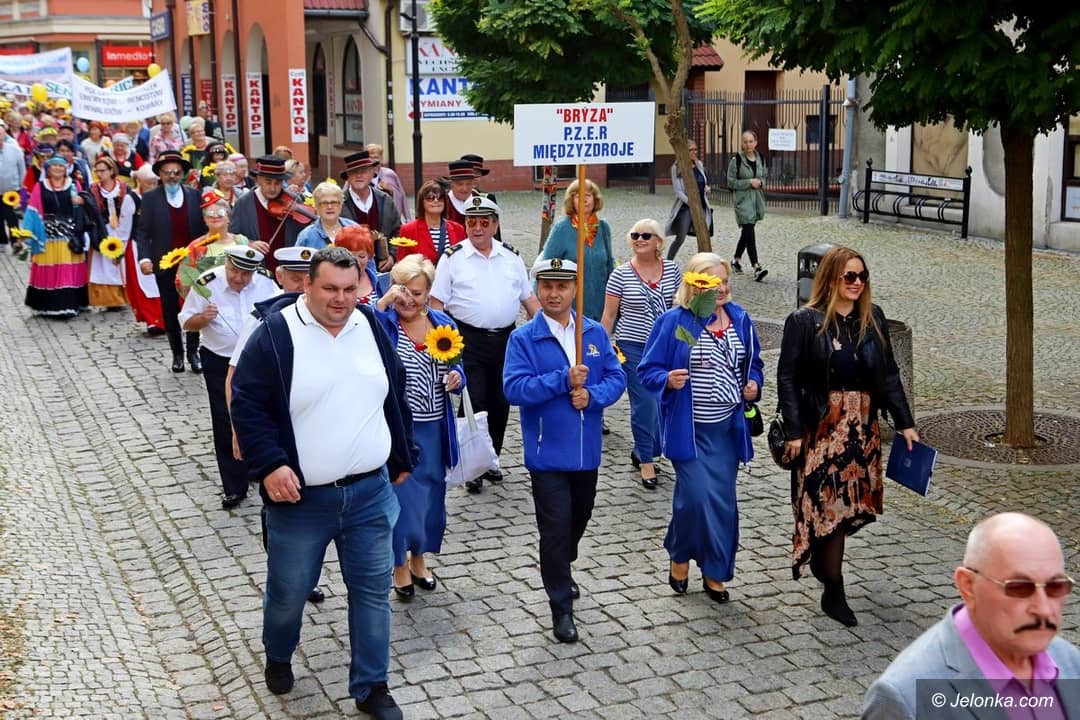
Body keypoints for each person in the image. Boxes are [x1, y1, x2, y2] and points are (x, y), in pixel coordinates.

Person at [230, 246, 416, 720]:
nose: (340, 299)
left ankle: (372, 686)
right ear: (307, 285)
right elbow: (247, 403)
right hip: (301, 501)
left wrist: (403, 451)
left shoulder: (370, 325)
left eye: (350, 289)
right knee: (289, 592)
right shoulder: (276, 333)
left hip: (370, 493)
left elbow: (394, 391)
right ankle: (278, 653)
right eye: (330, 288)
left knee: (372, 591)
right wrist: (270, 465)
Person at [777, 245, 917, 627]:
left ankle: (829, 578)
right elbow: (787, 377)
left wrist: (905, 422)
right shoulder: (804, 321)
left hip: (861, 431)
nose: (857, 283)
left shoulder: (873, 319)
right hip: (821, 430)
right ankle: (833, 585)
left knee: (844, 510)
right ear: (831, 279)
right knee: (828, 508)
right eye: (849, 276)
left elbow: (889, 374)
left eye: (862, 276)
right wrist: (793, 431)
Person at [503, 258, 626, 643]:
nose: (554, 294)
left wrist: (592, 396)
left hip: (586, 452)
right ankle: (560, 605)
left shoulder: (593, 333)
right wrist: (562, 380)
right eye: (547, 286)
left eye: (562, 286)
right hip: (547, 454)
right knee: (554, 529)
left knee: (579, 517)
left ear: (575, 289)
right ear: (537, 289)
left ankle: (562, 562)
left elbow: (617, 377)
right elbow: (514, 389)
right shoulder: (524, 339)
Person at [861, 513, 1080, 720]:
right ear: (968, 586)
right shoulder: (905, 699)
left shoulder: (1070, 660)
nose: (1044, 609)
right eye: (1019, 587)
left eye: (1056, 586)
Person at [638, 253, 763, 604]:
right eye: (712, 282)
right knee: (694, 498)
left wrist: (753, 383)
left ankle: (715, 570)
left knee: (722, 503)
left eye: (725, 281)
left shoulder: (739, 319)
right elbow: (648, 370)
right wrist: (668, 379)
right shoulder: (676, 322)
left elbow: (755, 363)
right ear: (694, 284)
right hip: (689, 431)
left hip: (727, 431)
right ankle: (679, 554)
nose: (721, 288)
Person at [430, 196, 541, 493]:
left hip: (506, 339)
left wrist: (548, 329)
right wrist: (445, 345)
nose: (477, 228)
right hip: (468, 340)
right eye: (471, 222)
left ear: (495, 225)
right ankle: (471, 466)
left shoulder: (511, 257)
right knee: (474, 403)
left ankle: (492, 459)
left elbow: (529, 299)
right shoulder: (453, 258)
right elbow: (436, 303)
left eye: (483, 222)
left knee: (500, 402)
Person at [374, 254, 465, 599]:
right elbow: (363, 327)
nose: (409, 299)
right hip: (400, 428)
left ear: (428, 293)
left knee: (431, 495)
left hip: (435, 425)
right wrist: (384, 301)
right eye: (403, 290)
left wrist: (458, 377)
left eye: (417, 292)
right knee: (402, 497)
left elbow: (459, 363)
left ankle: (419, 558)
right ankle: (399, 564)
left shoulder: (443, 324)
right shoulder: (385, 323)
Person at [180, 246, 277, 509]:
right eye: (234, 271)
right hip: (219, 359)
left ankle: (259, 465)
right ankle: (234, 485)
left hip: (256, 361)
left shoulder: (266, 284)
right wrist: (203, 318)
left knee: (262, 414)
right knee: (225, 418)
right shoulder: (207, 283)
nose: (239, 279)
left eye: (246, 274)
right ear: (226, 265)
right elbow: (186, 322)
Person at [600, 218, 682, 489]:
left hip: (664, 348)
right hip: (632, 348)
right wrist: (600, 347)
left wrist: (687, 343)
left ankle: (643, 448)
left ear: (659, 241)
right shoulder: (620, 274)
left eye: (646, 235)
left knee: (661, 403)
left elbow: (679, 310)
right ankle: (647, 459)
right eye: (635, 235)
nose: (639, 240)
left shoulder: (672, 270)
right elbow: (609, 315)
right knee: (644, 403)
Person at [133, 149, 208, 372]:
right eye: (167, 172)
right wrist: (144, 258)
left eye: (176, 172)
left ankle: (193, 351)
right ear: (160, 175)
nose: (172, 176)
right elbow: (142, 232)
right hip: (164, 263)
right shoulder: (150, 199)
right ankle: (177, 354)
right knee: (170, 308)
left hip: (192, 263)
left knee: (194, 305)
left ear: (183, 174)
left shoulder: (194, 196)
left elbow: (203, 229)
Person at [19, 155, 90, 316]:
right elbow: (33, 210)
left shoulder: (74, 185)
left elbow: (83, 207)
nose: (58, 168)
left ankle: (69, 305)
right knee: (49, 268)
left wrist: (81, 202)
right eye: (54, 165)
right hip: (47, 236)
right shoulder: (40, 186)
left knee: (67, 269)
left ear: (66, 169)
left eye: (61, 166)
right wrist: (27, 232)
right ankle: (48, 305)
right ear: (48, 169)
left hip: (69, 237)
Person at [538, 178, 614, 321]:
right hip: (569, 308)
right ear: (571, 200)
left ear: (595, 199)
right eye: (578, 196)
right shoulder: (561, 229)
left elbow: (610, 265)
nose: (584, 200)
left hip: (600, 308)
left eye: (588, 195)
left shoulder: (603, 228)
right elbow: (545, 269)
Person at [176, 191, 263, 299]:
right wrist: (200, 300)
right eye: (210, 214)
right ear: (205, 220)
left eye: (220, 213)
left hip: (241, 297)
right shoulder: (195, 247)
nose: (215, 216)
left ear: (229, 217)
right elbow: (182, 279)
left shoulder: (241, 241)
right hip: (211, 301)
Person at [229, 155, 309, 272]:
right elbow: (232, 237)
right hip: (256, 270)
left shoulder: (293, 200)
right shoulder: (243, 204)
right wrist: (249, 243)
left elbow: (302, 234)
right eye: (268, 182)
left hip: (288, 269)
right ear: (258, 180)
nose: (273, 188)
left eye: (277, 183)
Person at [87, 155, 135, 309]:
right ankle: (108, 299)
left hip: (122, 228)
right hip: (103, 229)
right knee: (103, 264)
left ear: (111, 171)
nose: (99, 174)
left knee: (122, 263)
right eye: (97, 171)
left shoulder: (123, 188)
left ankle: (125, 296)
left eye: (103, 171)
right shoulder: (93, 189)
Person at [339, 150, 399, 271]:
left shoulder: (385, 200)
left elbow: (398, 231)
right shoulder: (339, 203)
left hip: (383, 270)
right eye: (354, 172)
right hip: (349, 270)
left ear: (373, 173)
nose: (359, 175)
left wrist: (392, 256)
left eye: (364, 171)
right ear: (348, 177)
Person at [125, 164, 165, 334]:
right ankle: (153, 320)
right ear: (139, 182)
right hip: (139, 245)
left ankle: (166, 317)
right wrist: (119, 250)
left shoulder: (162, 196)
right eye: (148, 183)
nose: (152, 186)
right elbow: (125, 226)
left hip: (161, 244)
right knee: (146, 284)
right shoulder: (132, 199)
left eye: (155, 182)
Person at [728, 130, 769, 282]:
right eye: (745, 142)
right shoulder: (736, 160)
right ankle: (756, 267)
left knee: (747, 232)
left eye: (751, 141)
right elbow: (730, 182)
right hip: (743, 201)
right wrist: (748, 182)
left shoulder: (761, 158)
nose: (748, 144)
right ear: (742, 143)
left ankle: (736, 260)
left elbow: (764, 177)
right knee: (749, 232)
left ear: (755, 142)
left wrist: (760, 183)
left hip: (756, 200)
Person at [395, 180, 465, 264]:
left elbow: (463, 260)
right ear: (422, 202)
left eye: (440, 197)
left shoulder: (458, 229)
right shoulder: (408, 230)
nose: (436, 201)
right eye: (430, 198)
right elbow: (402, 264)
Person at [664, 140, 712, 261]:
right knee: (680, 237)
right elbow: (678, 191)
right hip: (686, 207)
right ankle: (668, 261)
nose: (694, 152)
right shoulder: (676, 168)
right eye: (691, 150)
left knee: (703, 234)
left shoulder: (699, 164)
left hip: (701, 205)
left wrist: (706, 188)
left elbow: (703, 181)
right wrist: (690, 202)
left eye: (695, 149)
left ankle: (704, 261)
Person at [295, 181, 357, 248]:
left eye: (334, 202)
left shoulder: (355, 229)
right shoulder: (306, 236)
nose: (329, 207)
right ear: (316, 206)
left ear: (341, 205)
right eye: (324, 203)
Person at [366, 143, 410, 221]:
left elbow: (401, 195)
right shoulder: (358, 175)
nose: (373, 160)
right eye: (370, 157)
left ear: (381, 158)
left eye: (376, 157)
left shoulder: (389, 174)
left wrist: (408, 218)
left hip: (388, 217)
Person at [0, 118, 25, 247]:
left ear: (4, 134)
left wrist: (21, 188)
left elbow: (22, 169)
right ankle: (2, 241)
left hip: (11, 190)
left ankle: (15, 241)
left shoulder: (15, 149)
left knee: (12, 217)